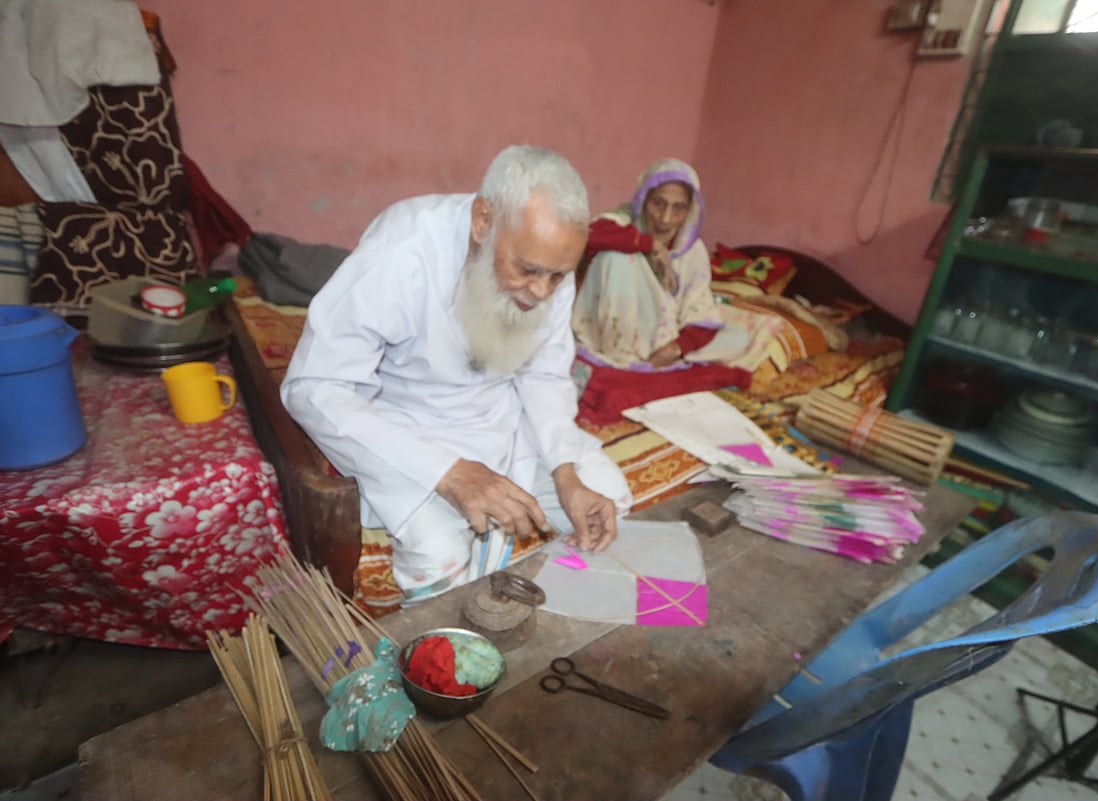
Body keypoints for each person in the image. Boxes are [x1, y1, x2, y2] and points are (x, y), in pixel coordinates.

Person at [281, 145, 632, 601]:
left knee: (606, 500)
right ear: (483, 221)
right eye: (528, 270)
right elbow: (314, 387)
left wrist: (565, 473)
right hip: (412, 431)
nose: (542, 292)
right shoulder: (405, 250)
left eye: (558, 277)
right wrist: (450, 473)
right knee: (439, 556)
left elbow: (544, 377)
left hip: (505, 421)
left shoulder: (548, 265)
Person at [572, 157, 779, 371]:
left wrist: (675, 348)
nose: (666, 218)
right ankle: (622, 358)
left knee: (739, 338)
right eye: (658, 203)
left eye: (678, 208)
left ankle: (650, 359)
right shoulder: (623, 221)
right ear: (643, 198)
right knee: (615, 255)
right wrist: (649, 244)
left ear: (690, 210)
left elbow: (698, 308)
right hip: (611, 331)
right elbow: (589, 235)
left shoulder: (693, 250)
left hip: (662, 334)